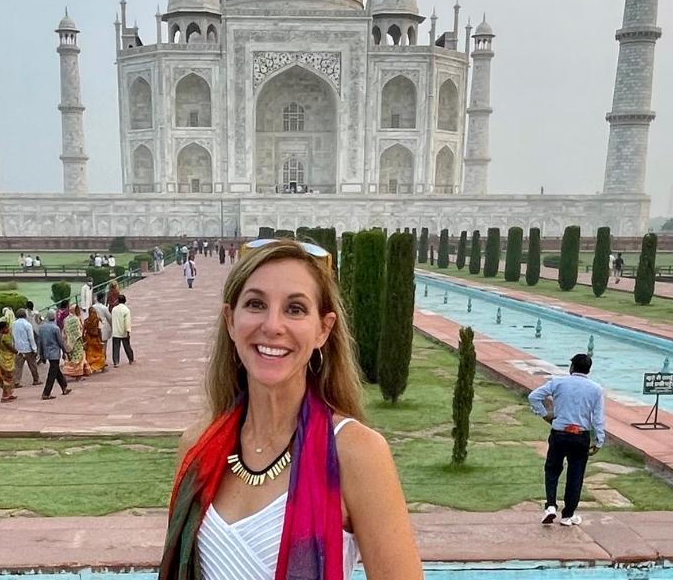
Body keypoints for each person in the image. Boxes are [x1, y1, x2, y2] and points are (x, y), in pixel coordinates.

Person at [160, 239, 421, 579]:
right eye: (255, 304)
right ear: (230, 319)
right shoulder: (198, 445)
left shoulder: (355, 453)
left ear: (323, 330)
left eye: (295, 309)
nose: (272, 326)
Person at [527, 353, 606, 527]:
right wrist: (599, 440)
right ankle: (568, 515)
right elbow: (598, 418)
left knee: (552, 470)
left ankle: (550, 506)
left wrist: (545, 415)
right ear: (588, 369)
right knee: (575, 475)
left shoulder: (559, 383)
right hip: (580, 436)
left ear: (571, 368)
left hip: (559, 433)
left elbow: (534, 396)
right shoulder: (596, 389)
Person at [38, 311, 71, 400]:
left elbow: (40, 342)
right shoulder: (55, 328)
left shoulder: (41, 328)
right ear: (54, 317)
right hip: (55, 353)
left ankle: (64, 387)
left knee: (56, 370)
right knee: (52, 373)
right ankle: (46, 393)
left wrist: (41, 355)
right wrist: (65, 352)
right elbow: (60, 342)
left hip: (47, 352)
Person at [11, 308, 41, 386]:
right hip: (28, 348)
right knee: (33, 365)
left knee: (18, 367)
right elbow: (31, 338)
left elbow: (13, 337)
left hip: (18, 349)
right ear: (25, 315)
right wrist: (34, 349)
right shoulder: (27, 324)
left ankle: (16, 382)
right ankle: (36, 380)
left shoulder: (13, 324)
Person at [62, 303, 90, 381]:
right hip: (77, 342)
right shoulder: (76, 319)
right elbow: (79, 331)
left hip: (69, 342)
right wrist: (82, 340)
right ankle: (77, 375)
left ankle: (69, 372)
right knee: (78, 358)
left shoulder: (66, 319)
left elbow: (64, 331)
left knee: (71, 358)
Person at [0, 319, 17, 403]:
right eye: (6, 328)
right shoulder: (4, 337)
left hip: (0, 359)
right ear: (2, 329)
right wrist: (17, 352)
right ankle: (5, 396)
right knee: (8, 377)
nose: (8, 329)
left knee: (6, 377)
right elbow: (10, 347)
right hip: (5, 360)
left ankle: (9, 394)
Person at [111, 293, 135, 367]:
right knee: (127, 346)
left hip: (115, 331)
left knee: (115, 348)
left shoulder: (114, 309)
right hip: (123, 332)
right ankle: (131, 359)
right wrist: (128, 331)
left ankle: (116, 362)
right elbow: (127, 322)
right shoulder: (126, 310)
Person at [83, 302, 107, 374]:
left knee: (90, 354)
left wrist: (83, 339)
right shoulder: (97, 320)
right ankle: (101, 367)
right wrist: (101, 339)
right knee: (100, 353)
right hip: (96, 339)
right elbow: (99, 330)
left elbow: (83, 331)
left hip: (89, 339)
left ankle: (91, 367)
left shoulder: (86, 321)